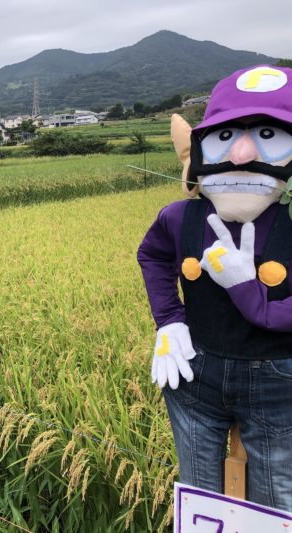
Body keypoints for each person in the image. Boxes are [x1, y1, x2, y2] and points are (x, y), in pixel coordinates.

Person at [138, 65, 292, 510]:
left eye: (268, 133)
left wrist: (250, 292)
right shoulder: (179, 217)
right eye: (225, 136)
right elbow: (151, 255)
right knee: (199, 497)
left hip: (279, 379)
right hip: (194, 375)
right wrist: (168, 321)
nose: (242, 153)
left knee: (276, 504)